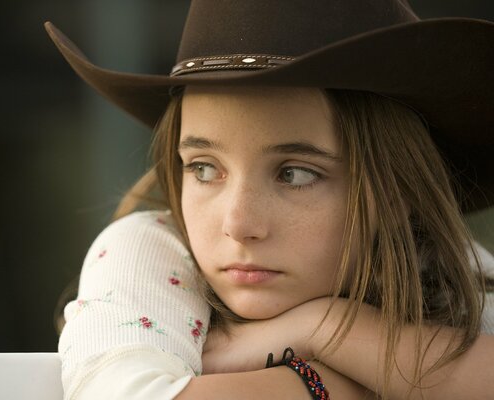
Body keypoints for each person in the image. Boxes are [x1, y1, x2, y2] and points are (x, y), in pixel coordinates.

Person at [46, 0, 494, 398]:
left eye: (294, 174)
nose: (238, 224)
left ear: (396, 194)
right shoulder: (150, 249)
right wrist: (349, 382)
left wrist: (328, 326)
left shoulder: (439, 265)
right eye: (204, 169)